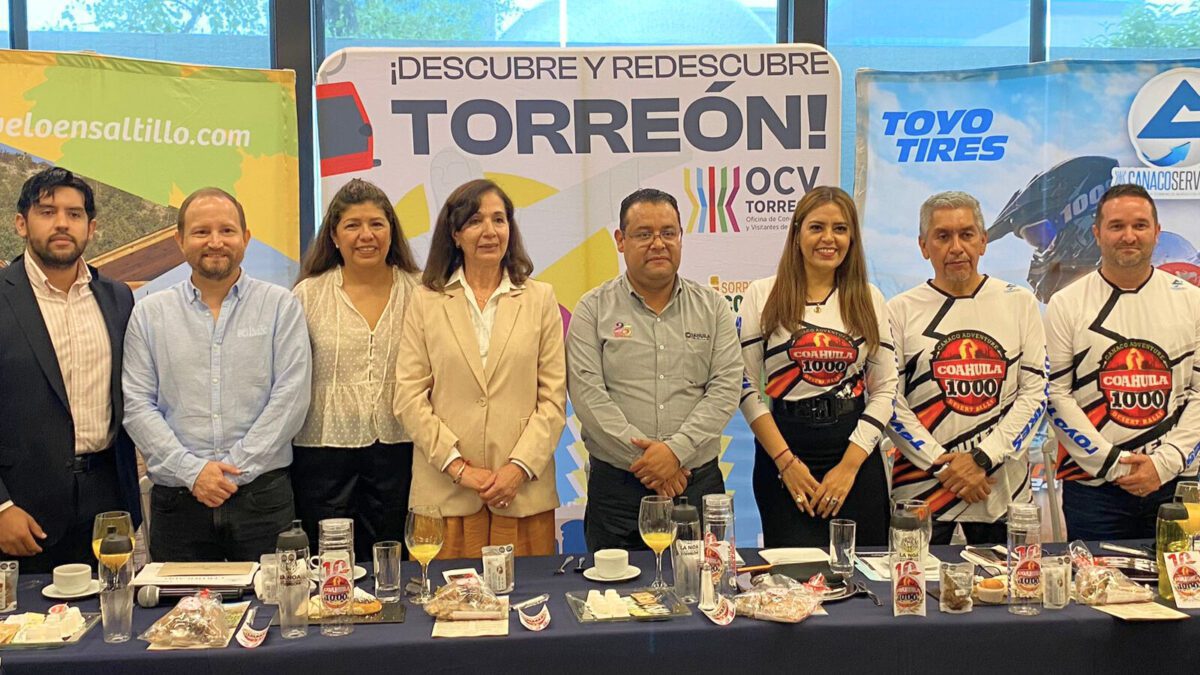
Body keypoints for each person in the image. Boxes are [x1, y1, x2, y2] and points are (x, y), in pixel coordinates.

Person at [123, 187, 311, 562]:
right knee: (177, 602)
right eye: (201, 232)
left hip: (262, 497)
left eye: (227, 230)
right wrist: (193, 472)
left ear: (246, 238)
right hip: (178, 502)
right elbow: (137, 404)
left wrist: (231, 472)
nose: (215, 242)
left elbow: (291, 397)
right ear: (179, 240)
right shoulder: (149, 313)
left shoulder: (280, 306)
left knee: (273, 598)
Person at [394, 179, 565, 557]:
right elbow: (408, 397)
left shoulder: (540, 298)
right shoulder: (426, 300)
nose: (489, 231)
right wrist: (459, 468)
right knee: (445, 595)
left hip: (522, 495)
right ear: (455, 234)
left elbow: (553, 401)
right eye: (475, 221)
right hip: (444, 495)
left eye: (499, 220)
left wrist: (518, 468)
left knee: (529, 595)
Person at [567, 188, 741, 552]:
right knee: (614, 587)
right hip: (617, 490)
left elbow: (725, 388)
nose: (658, 244)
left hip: (694, 482)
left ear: (680, 237)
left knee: (701, 583)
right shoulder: (593, 309)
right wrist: (649, 463)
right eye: (644, 234)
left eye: (668, 233)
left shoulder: (713, 308)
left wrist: (675, 453)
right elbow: (587, 395)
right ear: (620, 240)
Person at [739, 186, 898, 547]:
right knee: (790, 576)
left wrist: (849, 467)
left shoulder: (869, 297)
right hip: (784, 453)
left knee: (862, 571)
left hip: (854, 454)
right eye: (817, 227)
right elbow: (744, 384)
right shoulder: (762, 294)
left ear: (852, 238)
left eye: (840, 228)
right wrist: (786, 463)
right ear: (797, 234)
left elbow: (886, 388)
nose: (829, 238)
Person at [0, 167, 142, 572]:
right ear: (22, 224)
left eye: (74, 214)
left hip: (108, 504)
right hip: (22, 513)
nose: (62, 223)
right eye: (47, 212)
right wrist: (1, 506)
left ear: (90, 228)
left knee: (112, 610)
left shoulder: (117, 298)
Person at [886, 191, 1047, 545]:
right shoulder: (898, 310)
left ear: (984, 241)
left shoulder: (1019, 302)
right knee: (911, 581)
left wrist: (982, 459)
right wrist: (942, 464)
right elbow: (889, 401)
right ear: (923, 246)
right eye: (943, 236)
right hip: (921, 490)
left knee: (1008, 581)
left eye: (967, 234)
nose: (956, 247)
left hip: (1000, 489)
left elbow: (1036, 394)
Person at [1046, 183, 1200, 540]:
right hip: (1093, 490)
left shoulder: (1192, 302)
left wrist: (1164, 464)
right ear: (1097, 233)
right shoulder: (1066, 303)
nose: (1129, 236)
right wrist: (1114, 465)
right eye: (1116, 226)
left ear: (1157, 232)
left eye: (1139, 225)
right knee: (1092, 578)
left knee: (1178, 577)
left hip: (1175, 481)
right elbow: (1055, 395)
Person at [292, 179, 421, 562]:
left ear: (391, 231)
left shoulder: (421, 292)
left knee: (395, 562)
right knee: (330, 566)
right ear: (334, 236)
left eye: (376, 224)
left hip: (400, 450)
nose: (366, 235)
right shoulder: (307, 295)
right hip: (322, 455)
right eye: (352, 225)